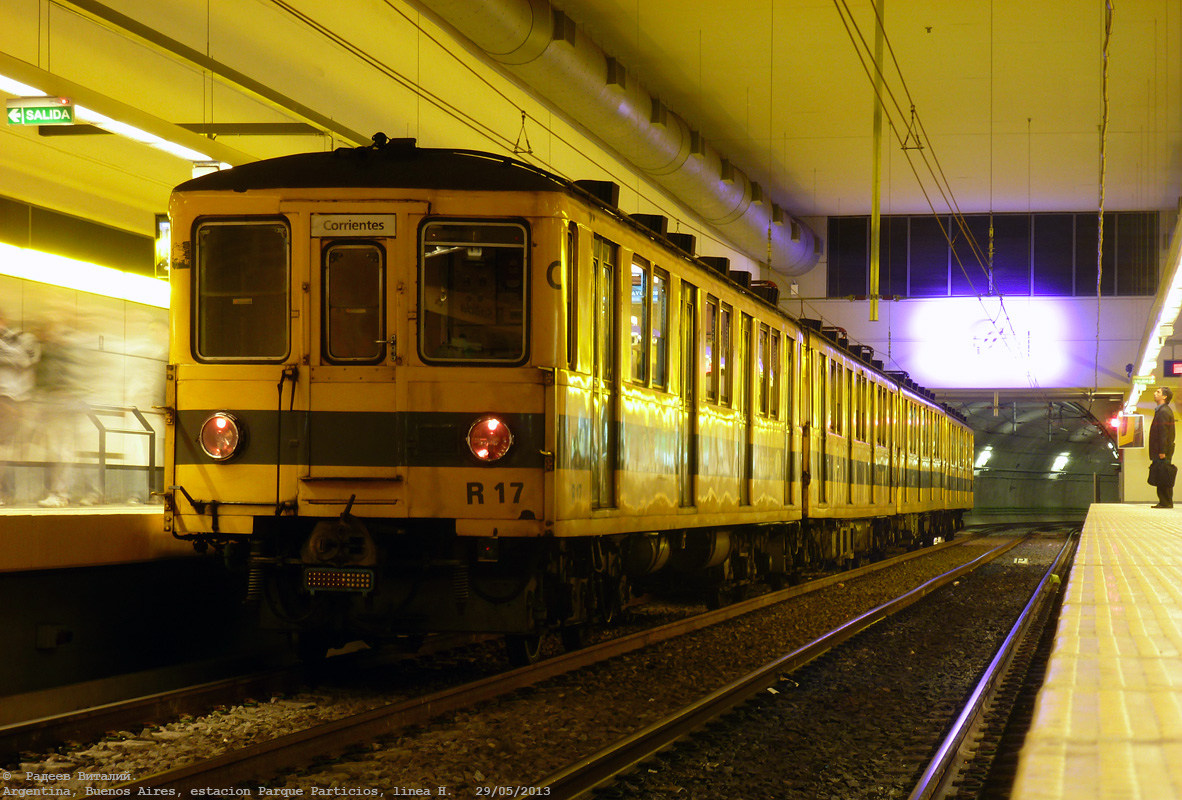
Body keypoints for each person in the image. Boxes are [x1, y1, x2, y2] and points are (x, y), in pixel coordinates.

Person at [0, 310, 41, 506]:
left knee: (5, 449)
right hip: (10, 400)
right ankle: (7, 492)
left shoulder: (22, 339)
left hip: (11, 400)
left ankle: (6, 492)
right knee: (5, 450)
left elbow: (26, 362)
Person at [1149, 386, 1175, 509]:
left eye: (1158, 392)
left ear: (1164, 396)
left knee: (1162, 474)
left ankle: (1165, 502)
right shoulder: (1162, 410)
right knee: (1162, 474)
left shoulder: (1163, 411)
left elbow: (1163, 433)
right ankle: (1166, 501)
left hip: (1162, 451)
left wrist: (1162, 451)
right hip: (1163, 450)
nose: (1155, 393)